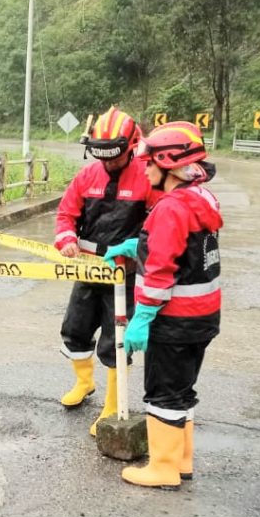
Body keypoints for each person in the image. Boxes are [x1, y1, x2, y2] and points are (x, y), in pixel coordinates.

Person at [109, 121, 222, 490]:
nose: (144, 169)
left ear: (169, 163)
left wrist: (141, 318)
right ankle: (182, 461)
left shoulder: (170, 209)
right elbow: (180, 253)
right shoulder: (199, 199)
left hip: (172, 322)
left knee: (162, 393)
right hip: (201, 318)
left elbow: (161, 273)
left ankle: (163, 468)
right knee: (183, 390)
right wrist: (136, 247)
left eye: (149, 163)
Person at [54, 106, 159, 436]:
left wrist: (137, 250)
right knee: (75, 329)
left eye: (114, 156)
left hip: (124, 276)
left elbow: (159, 222)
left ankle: (113, 405)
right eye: (102, 156)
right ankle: (84, 383)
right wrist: (67, 239)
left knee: (116, 342)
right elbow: (65, 215)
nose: (108, 163)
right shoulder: (87, 176)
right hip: (88, 269)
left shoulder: (146, 177)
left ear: (130, 146)